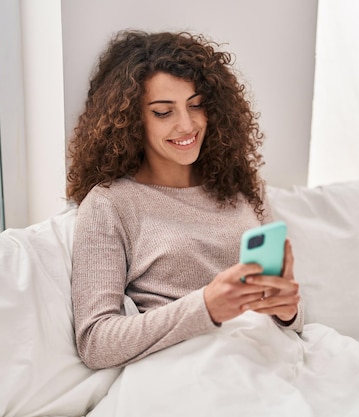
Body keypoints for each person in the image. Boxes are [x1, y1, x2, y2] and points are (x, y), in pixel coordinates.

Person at [66, 30, 303, 370]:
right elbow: (96, 342)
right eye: (163, 111)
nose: (187, 124)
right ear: (132, 120)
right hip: (191, 369)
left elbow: (294, 319)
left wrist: (287, 309)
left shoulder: (240, 186)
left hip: (273, 357)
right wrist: (204, 308)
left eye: (196, 105)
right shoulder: (110, 204)